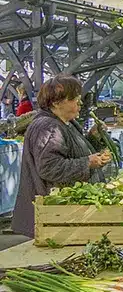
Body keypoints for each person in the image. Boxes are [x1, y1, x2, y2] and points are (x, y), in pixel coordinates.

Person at [12, 75, 111, 237]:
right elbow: (50, 168)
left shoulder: (65, 122)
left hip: (62, 215)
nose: (79, 104)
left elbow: (71, 151)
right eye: (74, 100)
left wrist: (93, 139)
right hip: (53, 217)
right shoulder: (48, 127)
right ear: (57, 102)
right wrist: (87, 163)